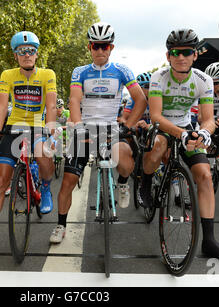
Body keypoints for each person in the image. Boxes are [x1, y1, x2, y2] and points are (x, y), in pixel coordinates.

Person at [136, 28, 219, 262]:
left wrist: (204, 132)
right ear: (168, 56)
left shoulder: (203, 81)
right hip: (164, 127)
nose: (181, 57)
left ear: (195, 55)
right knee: (159, 145)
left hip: (187, 128)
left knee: (204, 175)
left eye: (186, 52)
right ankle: (146, 180)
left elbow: (208, 118)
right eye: (175, 52)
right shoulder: (158, 77)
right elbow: (157, 116)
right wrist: (181, 133)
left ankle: (209, 241)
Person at [49, 22, 148, 244]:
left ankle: (122, 183)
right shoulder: (80, 72)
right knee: (68, 180)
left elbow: (140, 99)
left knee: (126, 159)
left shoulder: (122, 70)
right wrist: (77, 124)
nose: (101, 50)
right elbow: (74, 99)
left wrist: (128, 126)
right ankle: (60, 225)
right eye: (96, 46)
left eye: (105, 46)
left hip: (111, 129)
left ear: (111, 47)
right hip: (85, 127)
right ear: (89, 47)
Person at [0, 31, 57, 257]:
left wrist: (50, 131)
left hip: (38, 124)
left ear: (37, 54)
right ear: (15, 55)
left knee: (42, 153)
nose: (27, 55)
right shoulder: (8, 75)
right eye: (22, 51)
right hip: (14, 126)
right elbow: (2, 106)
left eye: (31, 51)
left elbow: (51, 105)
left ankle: (45, 187)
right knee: (1, 179)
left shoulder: (47, 74)